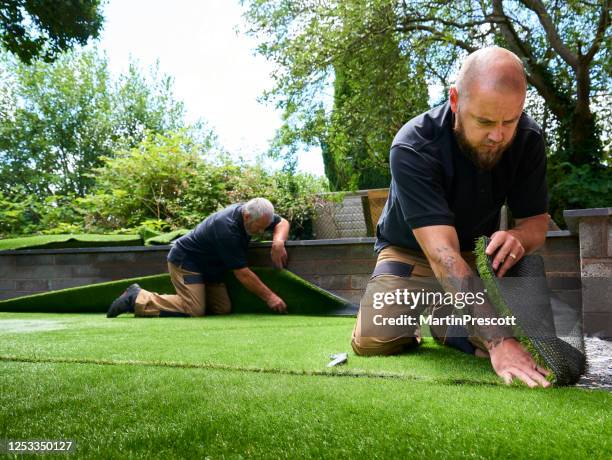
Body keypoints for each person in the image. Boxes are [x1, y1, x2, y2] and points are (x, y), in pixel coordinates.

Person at [352, 46, 552, 388]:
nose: (498, 136)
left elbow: (536, 223)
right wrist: (498, 342)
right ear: (456, 100)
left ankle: (448, 322)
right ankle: (416, 319)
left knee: (527, 336)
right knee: (374, 340)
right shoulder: (413, 145)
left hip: (472, 254)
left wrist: (519, 238)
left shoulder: (528, 140)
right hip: (410, 251)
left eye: (510, 121)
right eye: (485, 121)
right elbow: (441, 255)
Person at [107, 197, 290, 318]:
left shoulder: (258, 214)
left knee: (222, 308)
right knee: (194, 310)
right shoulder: (227, 228)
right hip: (187, 261)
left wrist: (278, 242)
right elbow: (243, 274)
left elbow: (282, 222)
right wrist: (270, 298)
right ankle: (136, 297)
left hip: (210, 268)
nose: (260, 232)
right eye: (259, 227)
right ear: (247, 215)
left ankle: (195, 298)